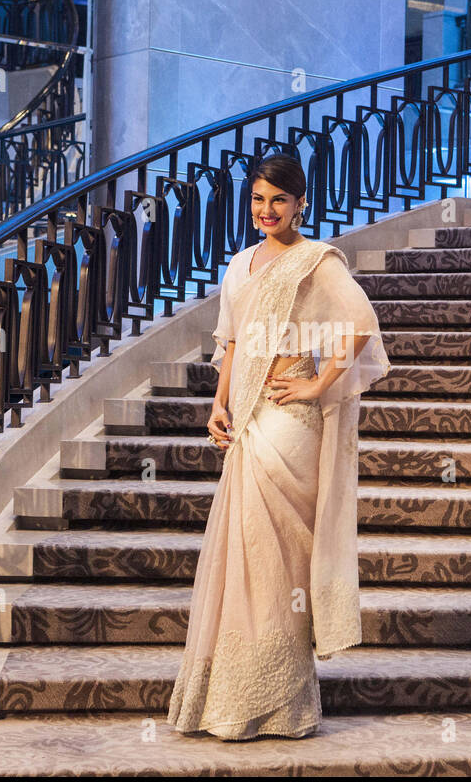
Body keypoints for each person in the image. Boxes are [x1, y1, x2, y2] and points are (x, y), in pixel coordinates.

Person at [166, 153, 390, 740]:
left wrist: (318, 383)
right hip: (244, 419)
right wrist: (219, 404)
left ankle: (282, 702)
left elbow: (361, 320)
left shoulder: (315, 261)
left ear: (300, 204)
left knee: (277, 559)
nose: (267, 211)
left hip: (291, 422)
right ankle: (235, 698)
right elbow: (233, 343)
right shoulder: (240, 265)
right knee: (245, 555)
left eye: (279, 201)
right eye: (258, 200)